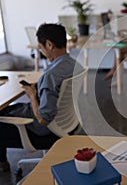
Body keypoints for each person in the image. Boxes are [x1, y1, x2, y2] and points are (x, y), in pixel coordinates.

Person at [0, 23, 83, 172]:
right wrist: (41, 86)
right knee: (7, 110)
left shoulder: (50, 75)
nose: (40, 50)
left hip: (42, 130)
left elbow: (43, 120)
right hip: (68, 123)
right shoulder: (74, 64)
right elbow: (56, 87)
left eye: (40, 47)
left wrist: (32, 96)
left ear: (49, 44)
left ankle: (2, 164)